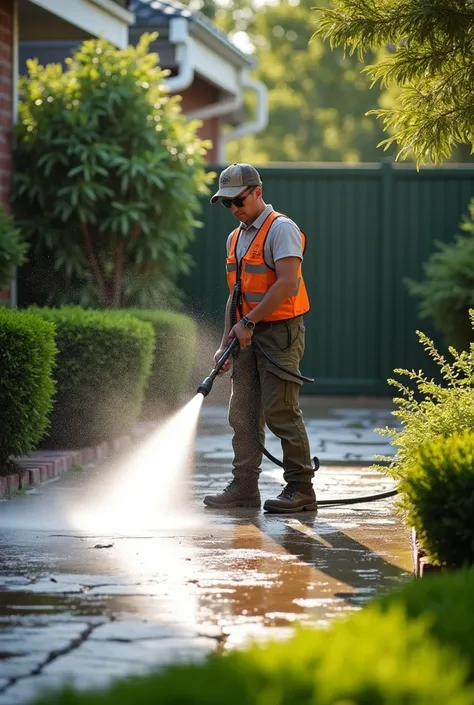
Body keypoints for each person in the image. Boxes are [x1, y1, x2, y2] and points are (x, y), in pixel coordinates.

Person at [203, 163, 318, 513]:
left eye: (238, 200)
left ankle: (300, 489)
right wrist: (225, 343)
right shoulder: (236, 237)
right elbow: (235, 294)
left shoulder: (280, 229)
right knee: (242, 412)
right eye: (226, 204)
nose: (234, 209)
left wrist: (249, 323)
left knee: (280, 409)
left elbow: (287, 284)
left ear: (257, 192)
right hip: (247, 333)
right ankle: (244, 487)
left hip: (279, 331)